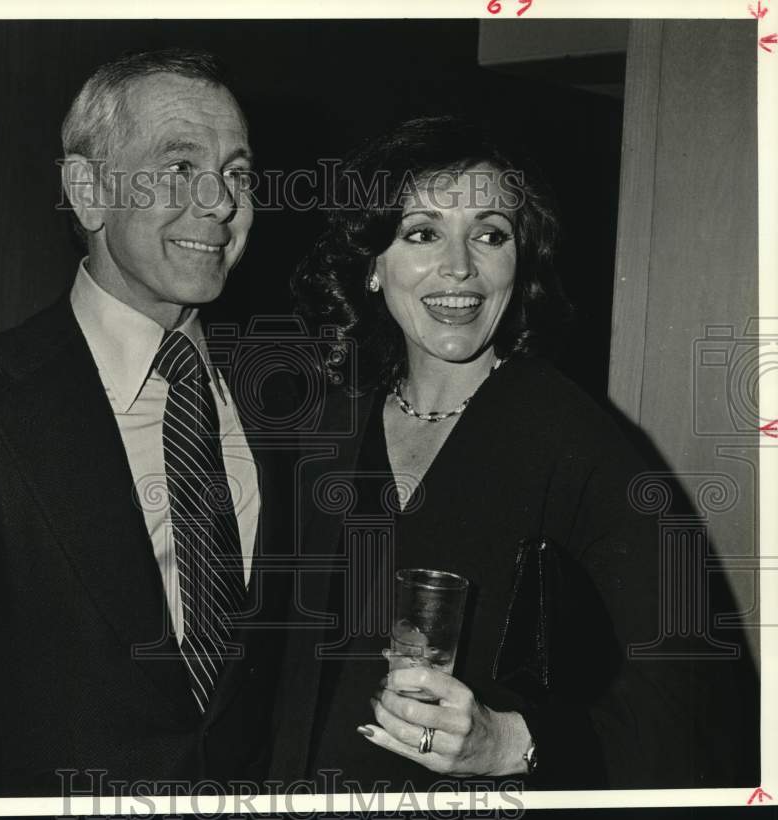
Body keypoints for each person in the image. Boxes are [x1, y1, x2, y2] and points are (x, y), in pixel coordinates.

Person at [0, 49, 294, 796]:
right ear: (88, 193)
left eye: (238, 174)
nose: (220, 202)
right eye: (180, 167)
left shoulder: (282, 400)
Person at [269, 116, 757, 791]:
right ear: (372, 267)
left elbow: (700, 704)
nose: (460, 268)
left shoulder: (581, 446)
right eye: (422, 234)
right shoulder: (323, 432)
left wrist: (512, 743)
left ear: (519, 262)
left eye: (490, 235)